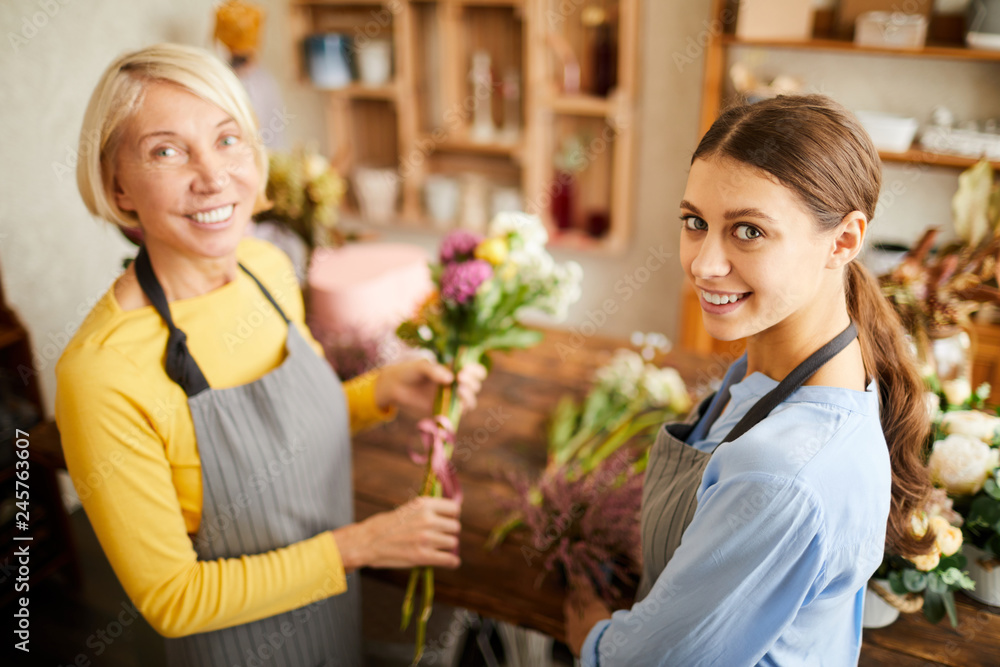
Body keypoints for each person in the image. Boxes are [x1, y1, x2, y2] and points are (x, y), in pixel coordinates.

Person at [57, 43, 484, 666]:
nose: (213, 175)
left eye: (228, 139)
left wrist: (381, 391)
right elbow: (174, 598)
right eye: (166, 151)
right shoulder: (101, 373)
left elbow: (286, 427)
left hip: (330, 614)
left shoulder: (267, 268)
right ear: (117, 186)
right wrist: (357, 547)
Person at [564, 95, 935, 665]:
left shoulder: (786, 473)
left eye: (749, 232)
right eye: (696, 222)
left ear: (843, 241)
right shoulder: (781, 362)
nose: (704, 263)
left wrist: (593, 635)